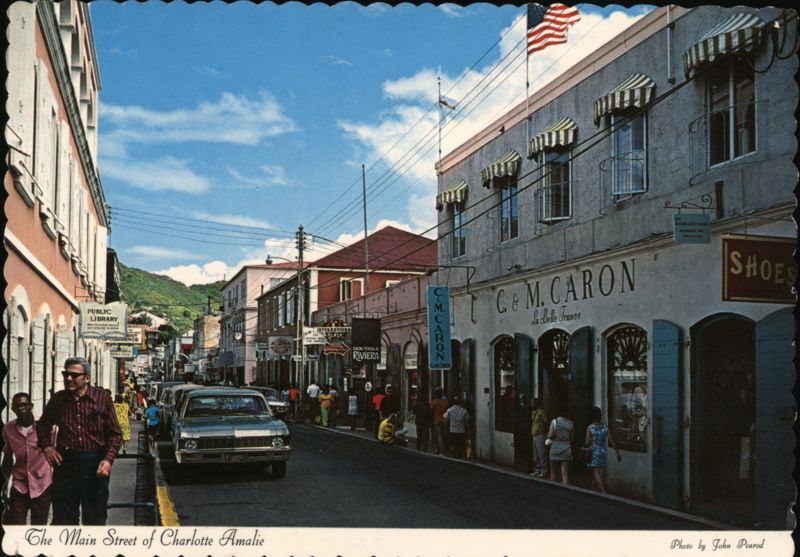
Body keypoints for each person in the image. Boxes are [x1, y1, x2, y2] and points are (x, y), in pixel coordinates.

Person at [37, 357, 122, 525]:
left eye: (74, 375)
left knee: (95, 516)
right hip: (66, 462)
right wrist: (47, 447)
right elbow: (42, 426)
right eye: (65, 374)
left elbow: (115, 434)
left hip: (95, 462)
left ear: (87, 378)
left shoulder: (102, 399)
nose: (69, 379)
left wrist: (107, 459)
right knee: (64, 517)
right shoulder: (58, 400)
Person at [1, 393, 54, 525]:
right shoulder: (8, 429)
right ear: (13, 409)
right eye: (18, 406)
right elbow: (7, 458)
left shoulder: (45, 427)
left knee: (38, 527)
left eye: (25, 404)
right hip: (20, 485)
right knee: (16, 525)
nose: (22, 408)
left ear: (31, 406)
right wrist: (3, 483)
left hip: (42, 483)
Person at [585, 406, 621, 493]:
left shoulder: (590, 427)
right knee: (599, 470)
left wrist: (590, 443)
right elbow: (611, 441)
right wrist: (617, 453)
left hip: (594, 451)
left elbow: (586, 441)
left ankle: (603, 491)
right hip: (603, 450)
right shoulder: (605, 427)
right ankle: (593, 488)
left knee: (596, 472)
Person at [547, 407, 574, 485]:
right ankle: (565, 488)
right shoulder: (570, 423)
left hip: (555, 447)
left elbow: (550, 435)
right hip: (566, 447)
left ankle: (553, 488)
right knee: (565, 473)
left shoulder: (554, 422)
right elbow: (572, 438)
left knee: (553, 472)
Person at [530, 398, 548, 477]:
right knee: (536, 454)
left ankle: (544, 470)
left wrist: (542, 430)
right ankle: (537, 469)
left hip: (540, 434)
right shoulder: (534, 412)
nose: (531, 405)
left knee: (541, 453)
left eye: (533, 403)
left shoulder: (541, 412)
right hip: (534, 434)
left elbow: (545, 422)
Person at [430, 388, 449, 455]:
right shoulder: (445, 402)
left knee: (439, 436)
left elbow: (431, 411)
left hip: (437, 420)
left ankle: (441, 450)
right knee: (444, 435)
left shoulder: (434, 402)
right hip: (445, 420)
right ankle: (445, 449)